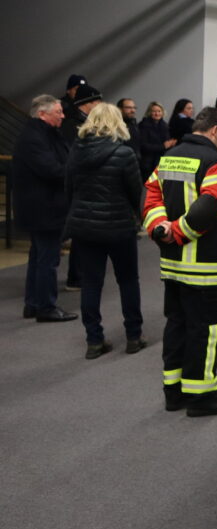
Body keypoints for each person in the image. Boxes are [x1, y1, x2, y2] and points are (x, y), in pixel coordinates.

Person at [142, 107, 217, 417]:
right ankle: (202, 396)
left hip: (173, 265)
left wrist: (163, 229)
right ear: (214, 130)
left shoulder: (169, 157)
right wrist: (180, 232)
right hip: (207, 266)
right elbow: (210, 205)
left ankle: (174, 392)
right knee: (207, 328)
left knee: (178, 324)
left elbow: (151, 197)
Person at [65, 103, 145, 359]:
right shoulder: (124, 154)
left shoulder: (75, 152)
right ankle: (133, 336)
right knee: (128, 281)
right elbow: (135, 192)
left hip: (85, 227)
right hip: (119, 226)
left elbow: (68, 188)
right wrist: (139, 217)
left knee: (91, 283)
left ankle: (94, 340)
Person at [14, 95, 77, 322]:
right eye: (58, 112)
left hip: (43, 206)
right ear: (42, 114)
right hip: (44, 208)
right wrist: (74, 172)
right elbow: (51, 169)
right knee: (47, 260)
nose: (62, 115)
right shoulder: (35, 137)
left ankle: (33, 304)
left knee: (39, 257)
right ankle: (46, 307)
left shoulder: (43, 134)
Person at [138, 102, 171, 179]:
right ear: (149, 112)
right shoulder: (143, 125)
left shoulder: (164, 125)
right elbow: (143, 146)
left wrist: (170, 144)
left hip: (160, 162)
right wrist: (163, 146)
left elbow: (166, 142)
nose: (157, 114)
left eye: (159, 111)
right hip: (147, 163)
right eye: (154, 111)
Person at [116, 98, 144, 172]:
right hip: (122, 166)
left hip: (136, 164)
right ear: (119, 109)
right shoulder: (115, 126)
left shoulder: (133, 123)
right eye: (129, 108)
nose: (133, 110)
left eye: (134, 108)